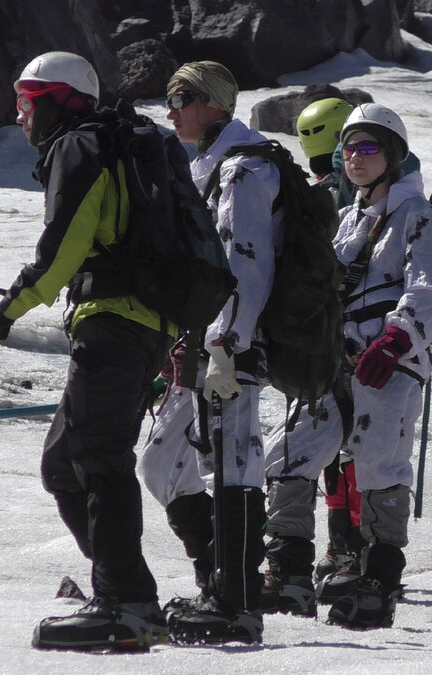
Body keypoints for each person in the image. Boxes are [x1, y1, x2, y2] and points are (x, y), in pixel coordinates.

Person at [0, 51, 172, 652]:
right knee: (64, 464)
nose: (20, 115)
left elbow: (64, 247)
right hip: (144, 325)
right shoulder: (122, 145)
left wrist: (6, 310)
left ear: (59, 98)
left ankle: (124, 604)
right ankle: (130, 594)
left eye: (27, 101)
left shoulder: (82, 147)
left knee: (99, 459)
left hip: (115, 323)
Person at [310, 103, 432, 627]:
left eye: (368, 148)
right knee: (320, 456)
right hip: (340, 363)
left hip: (387, 366)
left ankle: (380, 579)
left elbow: (430, 285)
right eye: (348, 148)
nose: (354, 158)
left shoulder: (417, 217)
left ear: (392, 156)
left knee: (378, 464)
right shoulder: (349, 219)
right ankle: (329, 563)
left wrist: (396, 340)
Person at [156, 60, 282, 644]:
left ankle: (236, 603)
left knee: (233, 465)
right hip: (201, 347)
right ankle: (221, 581)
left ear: (215, 104)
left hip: (229, 349)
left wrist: (227, 345)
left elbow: (245, 263)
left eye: (182, 97)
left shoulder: (243, 170)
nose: (170, 108)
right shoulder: (207, 165)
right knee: (169, 464)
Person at [291, 97, 366, 596]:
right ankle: (349, 544)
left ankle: (346, 546)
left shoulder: (326, 197)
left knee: (335, 447)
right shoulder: (377, 190)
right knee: (351, 448)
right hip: (360, 334)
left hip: (330, 337)